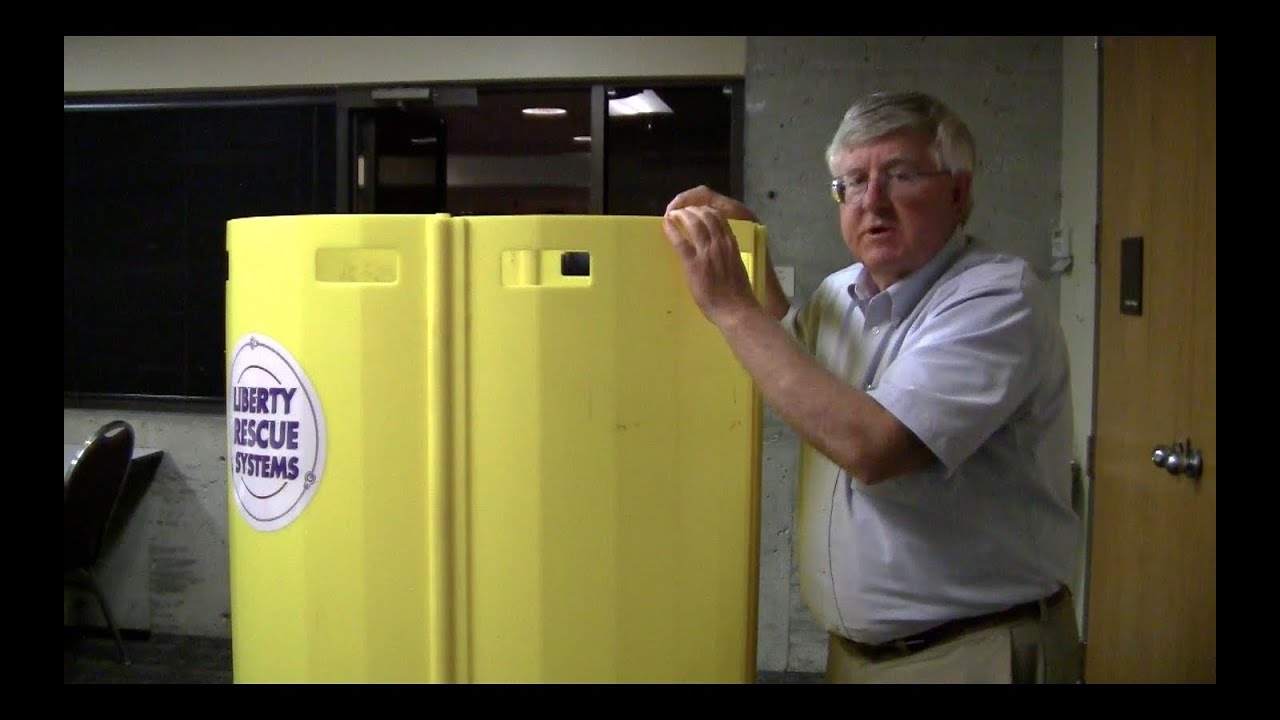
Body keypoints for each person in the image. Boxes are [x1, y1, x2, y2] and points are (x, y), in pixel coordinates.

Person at [661, 90, 1081, 684]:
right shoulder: (841, 293)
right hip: (861, 657)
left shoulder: (995, 297)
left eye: (901, 175)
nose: (873, 201)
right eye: (852, 183)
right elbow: (805, 376)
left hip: (972, 652)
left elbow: (872, 445)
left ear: (958, 193)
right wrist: (753, 251)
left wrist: (732, 308)